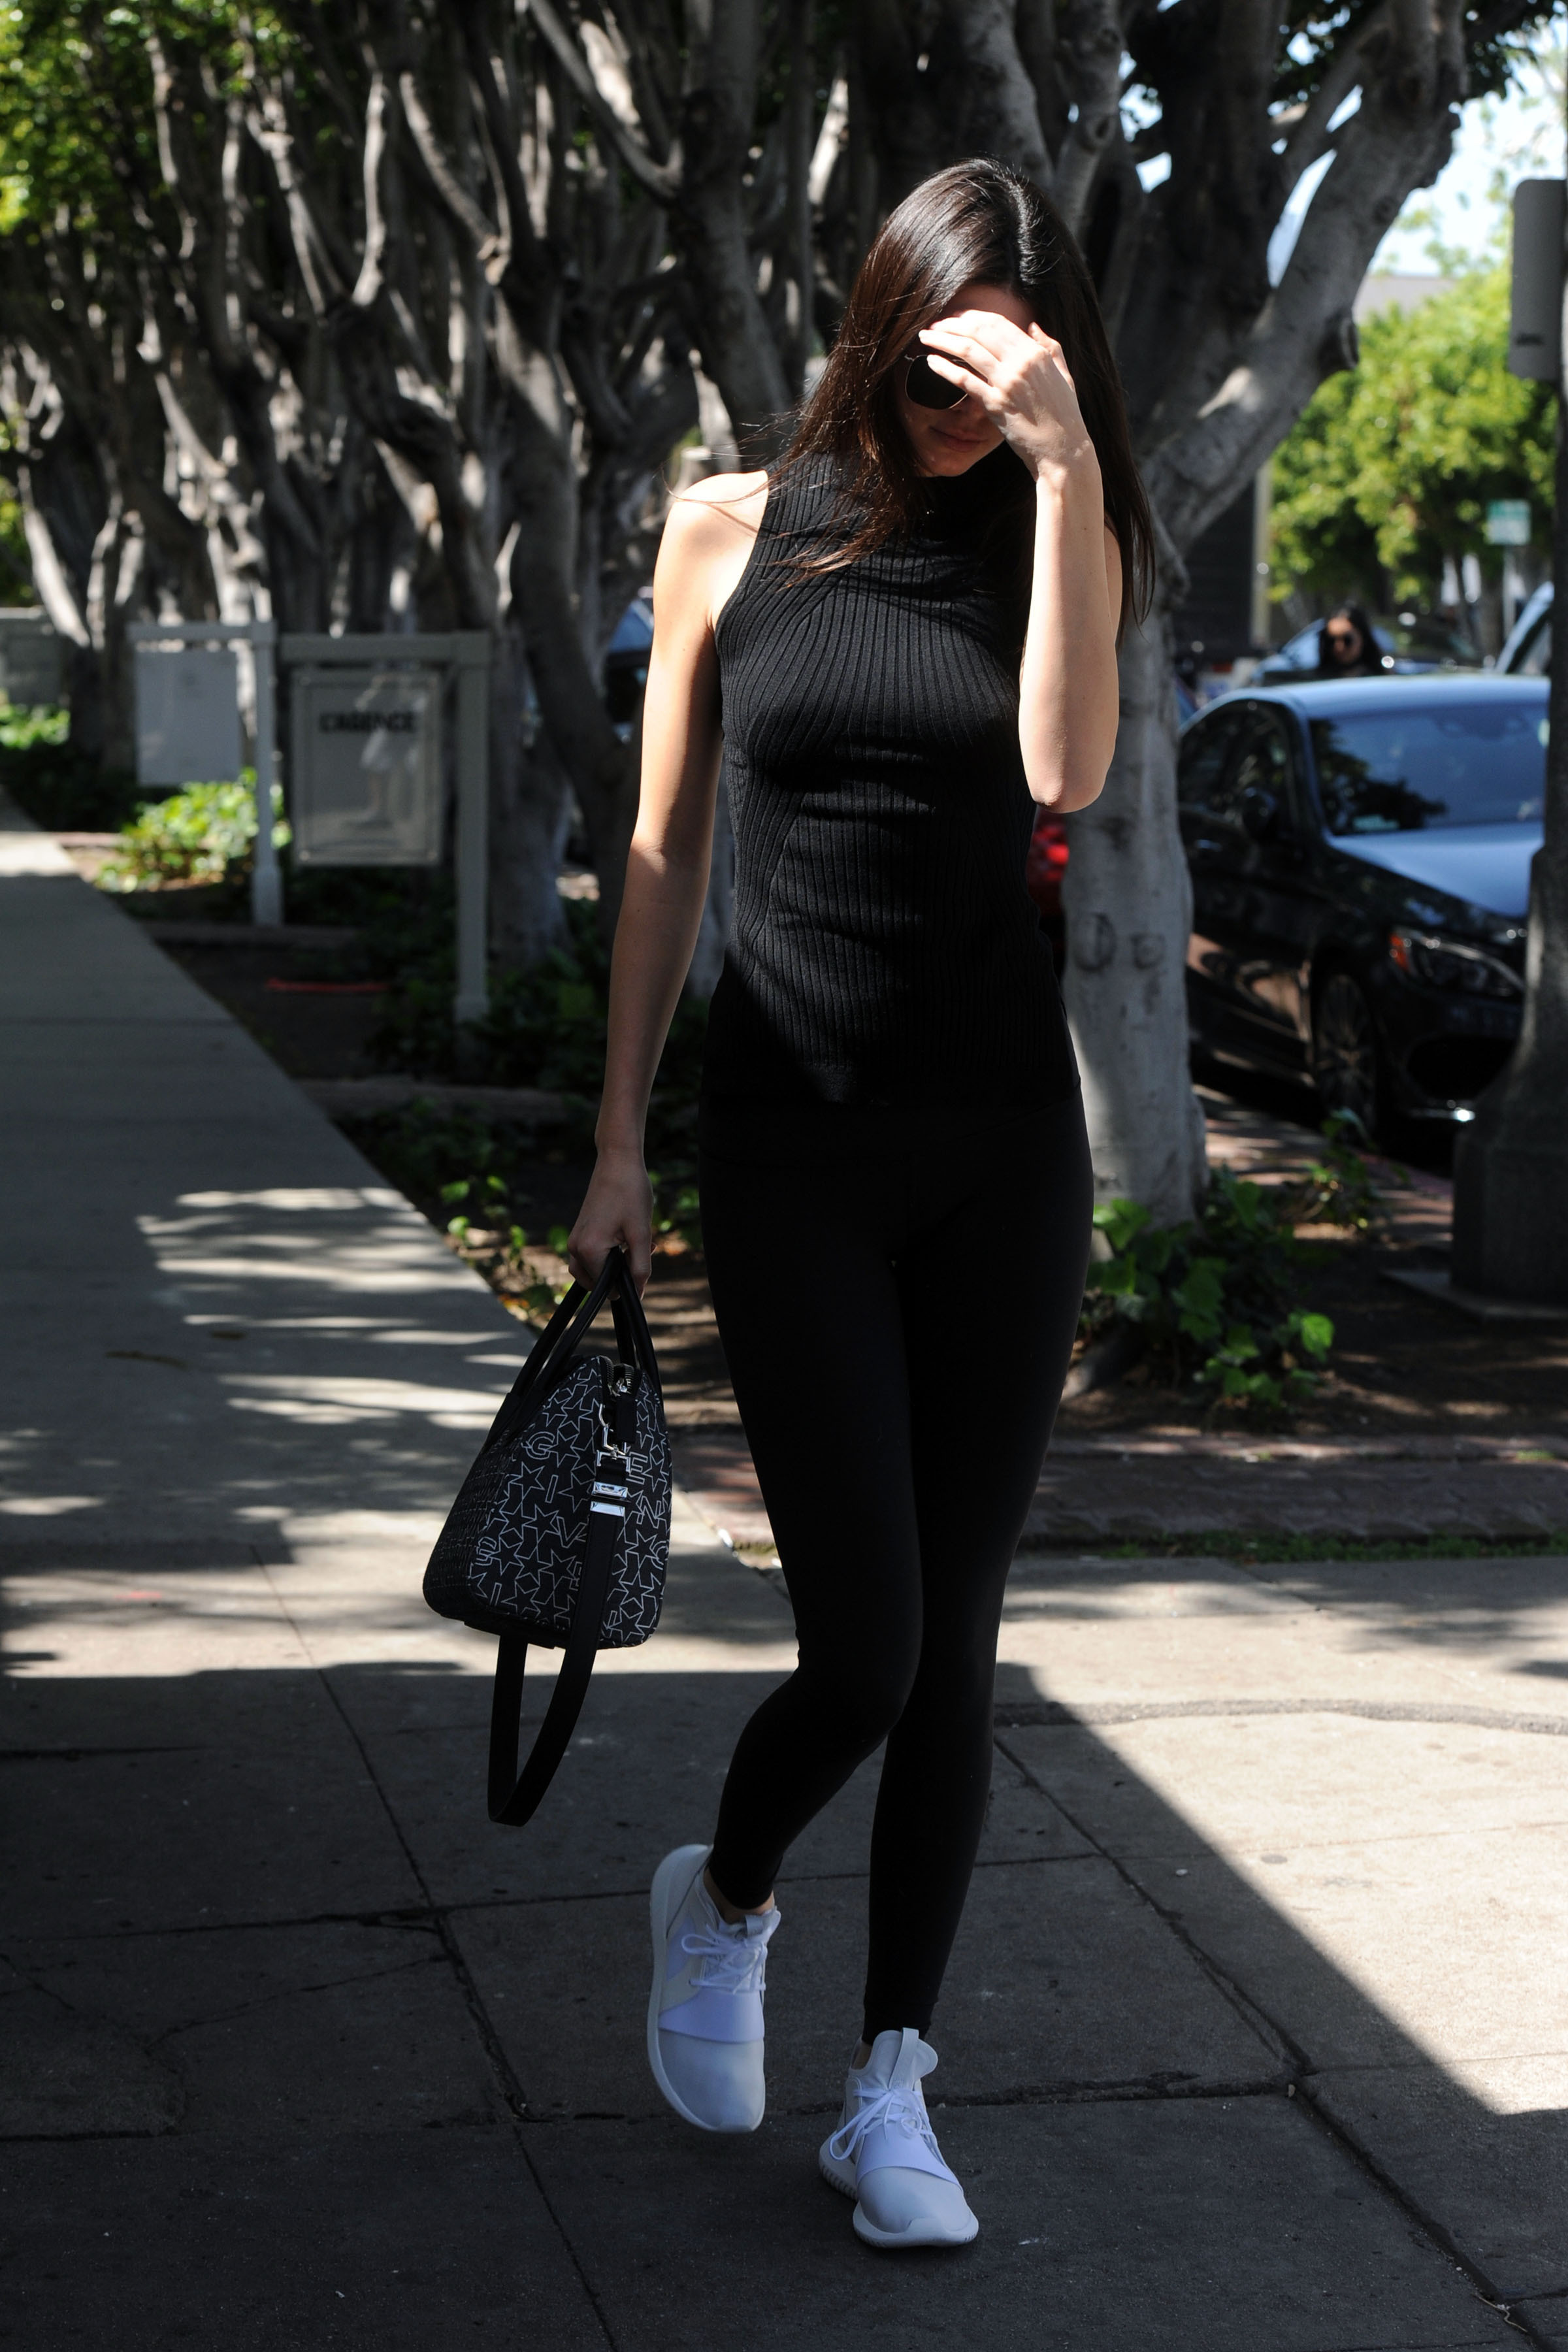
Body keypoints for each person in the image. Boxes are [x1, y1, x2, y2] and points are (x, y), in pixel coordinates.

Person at [567, 156, 1152, 2251]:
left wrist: (1068, 470)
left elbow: (1064, 770)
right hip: (792, 1141)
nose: (962, 416)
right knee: (872, 1647)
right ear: (879, 334)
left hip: (999, 1151)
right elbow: (662, 853)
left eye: (1007, 380)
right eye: (938, 374)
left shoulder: (1060, 527)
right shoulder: (729, 526)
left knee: (958, 1646)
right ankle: (725, 1897)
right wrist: (617, 1143)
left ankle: (892, 2081)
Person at [1315, 601, 1386, 678]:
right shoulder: (1315, 680)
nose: (1339, 648)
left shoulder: (1383, 677)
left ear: (1363, 638)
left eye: (1347, 640)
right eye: (1331, 641)